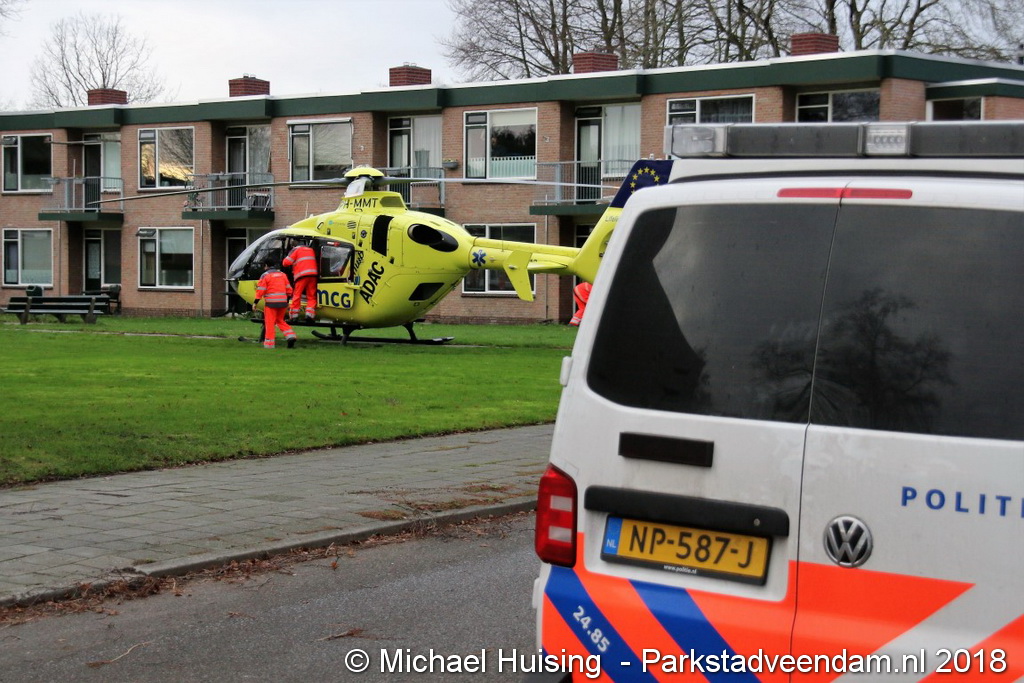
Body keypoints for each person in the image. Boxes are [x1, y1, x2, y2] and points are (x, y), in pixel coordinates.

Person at [253, 260, 297, 349]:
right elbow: (289, 290)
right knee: (280, 321)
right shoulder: (283, 275)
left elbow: (260, 290)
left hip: (271, 304)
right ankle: (291, 336)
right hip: (283, 303)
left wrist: (255, 302)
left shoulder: (265, 275)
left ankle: (269, 344)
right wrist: (287, 302)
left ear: (266, 266)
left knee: (270, 323)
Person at [282, 239, 318, 322]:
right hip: (313, 275)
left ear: (293, 245)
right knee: (311, 296)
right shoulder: (311, 249)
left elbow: (285, 263)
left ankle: (294, 316)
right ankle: (309, 315)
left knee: (297, 295)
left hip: (301, 275)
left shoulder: (296, 250)